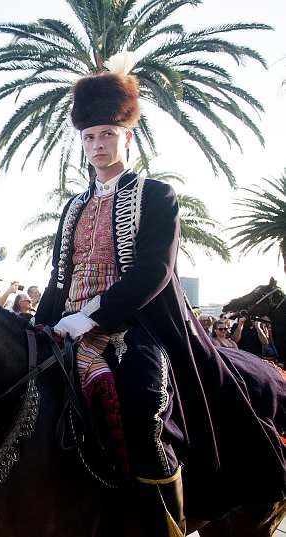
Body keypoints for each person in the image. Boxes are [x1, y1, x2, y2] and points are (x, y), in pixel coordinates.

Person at [35, 65, 285, 535]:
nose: (97, 146)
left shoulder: (157, 195)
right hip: (67, 325)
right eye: (88, 137)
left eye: (107, 134)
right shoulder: (73, 206)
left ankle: (164, 524)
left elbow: (153, 273)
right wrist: (38, 323)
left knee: (149, 399)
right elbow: (58, 277)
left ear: (128, 135)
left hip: (137, 326)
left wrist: (92, 318)